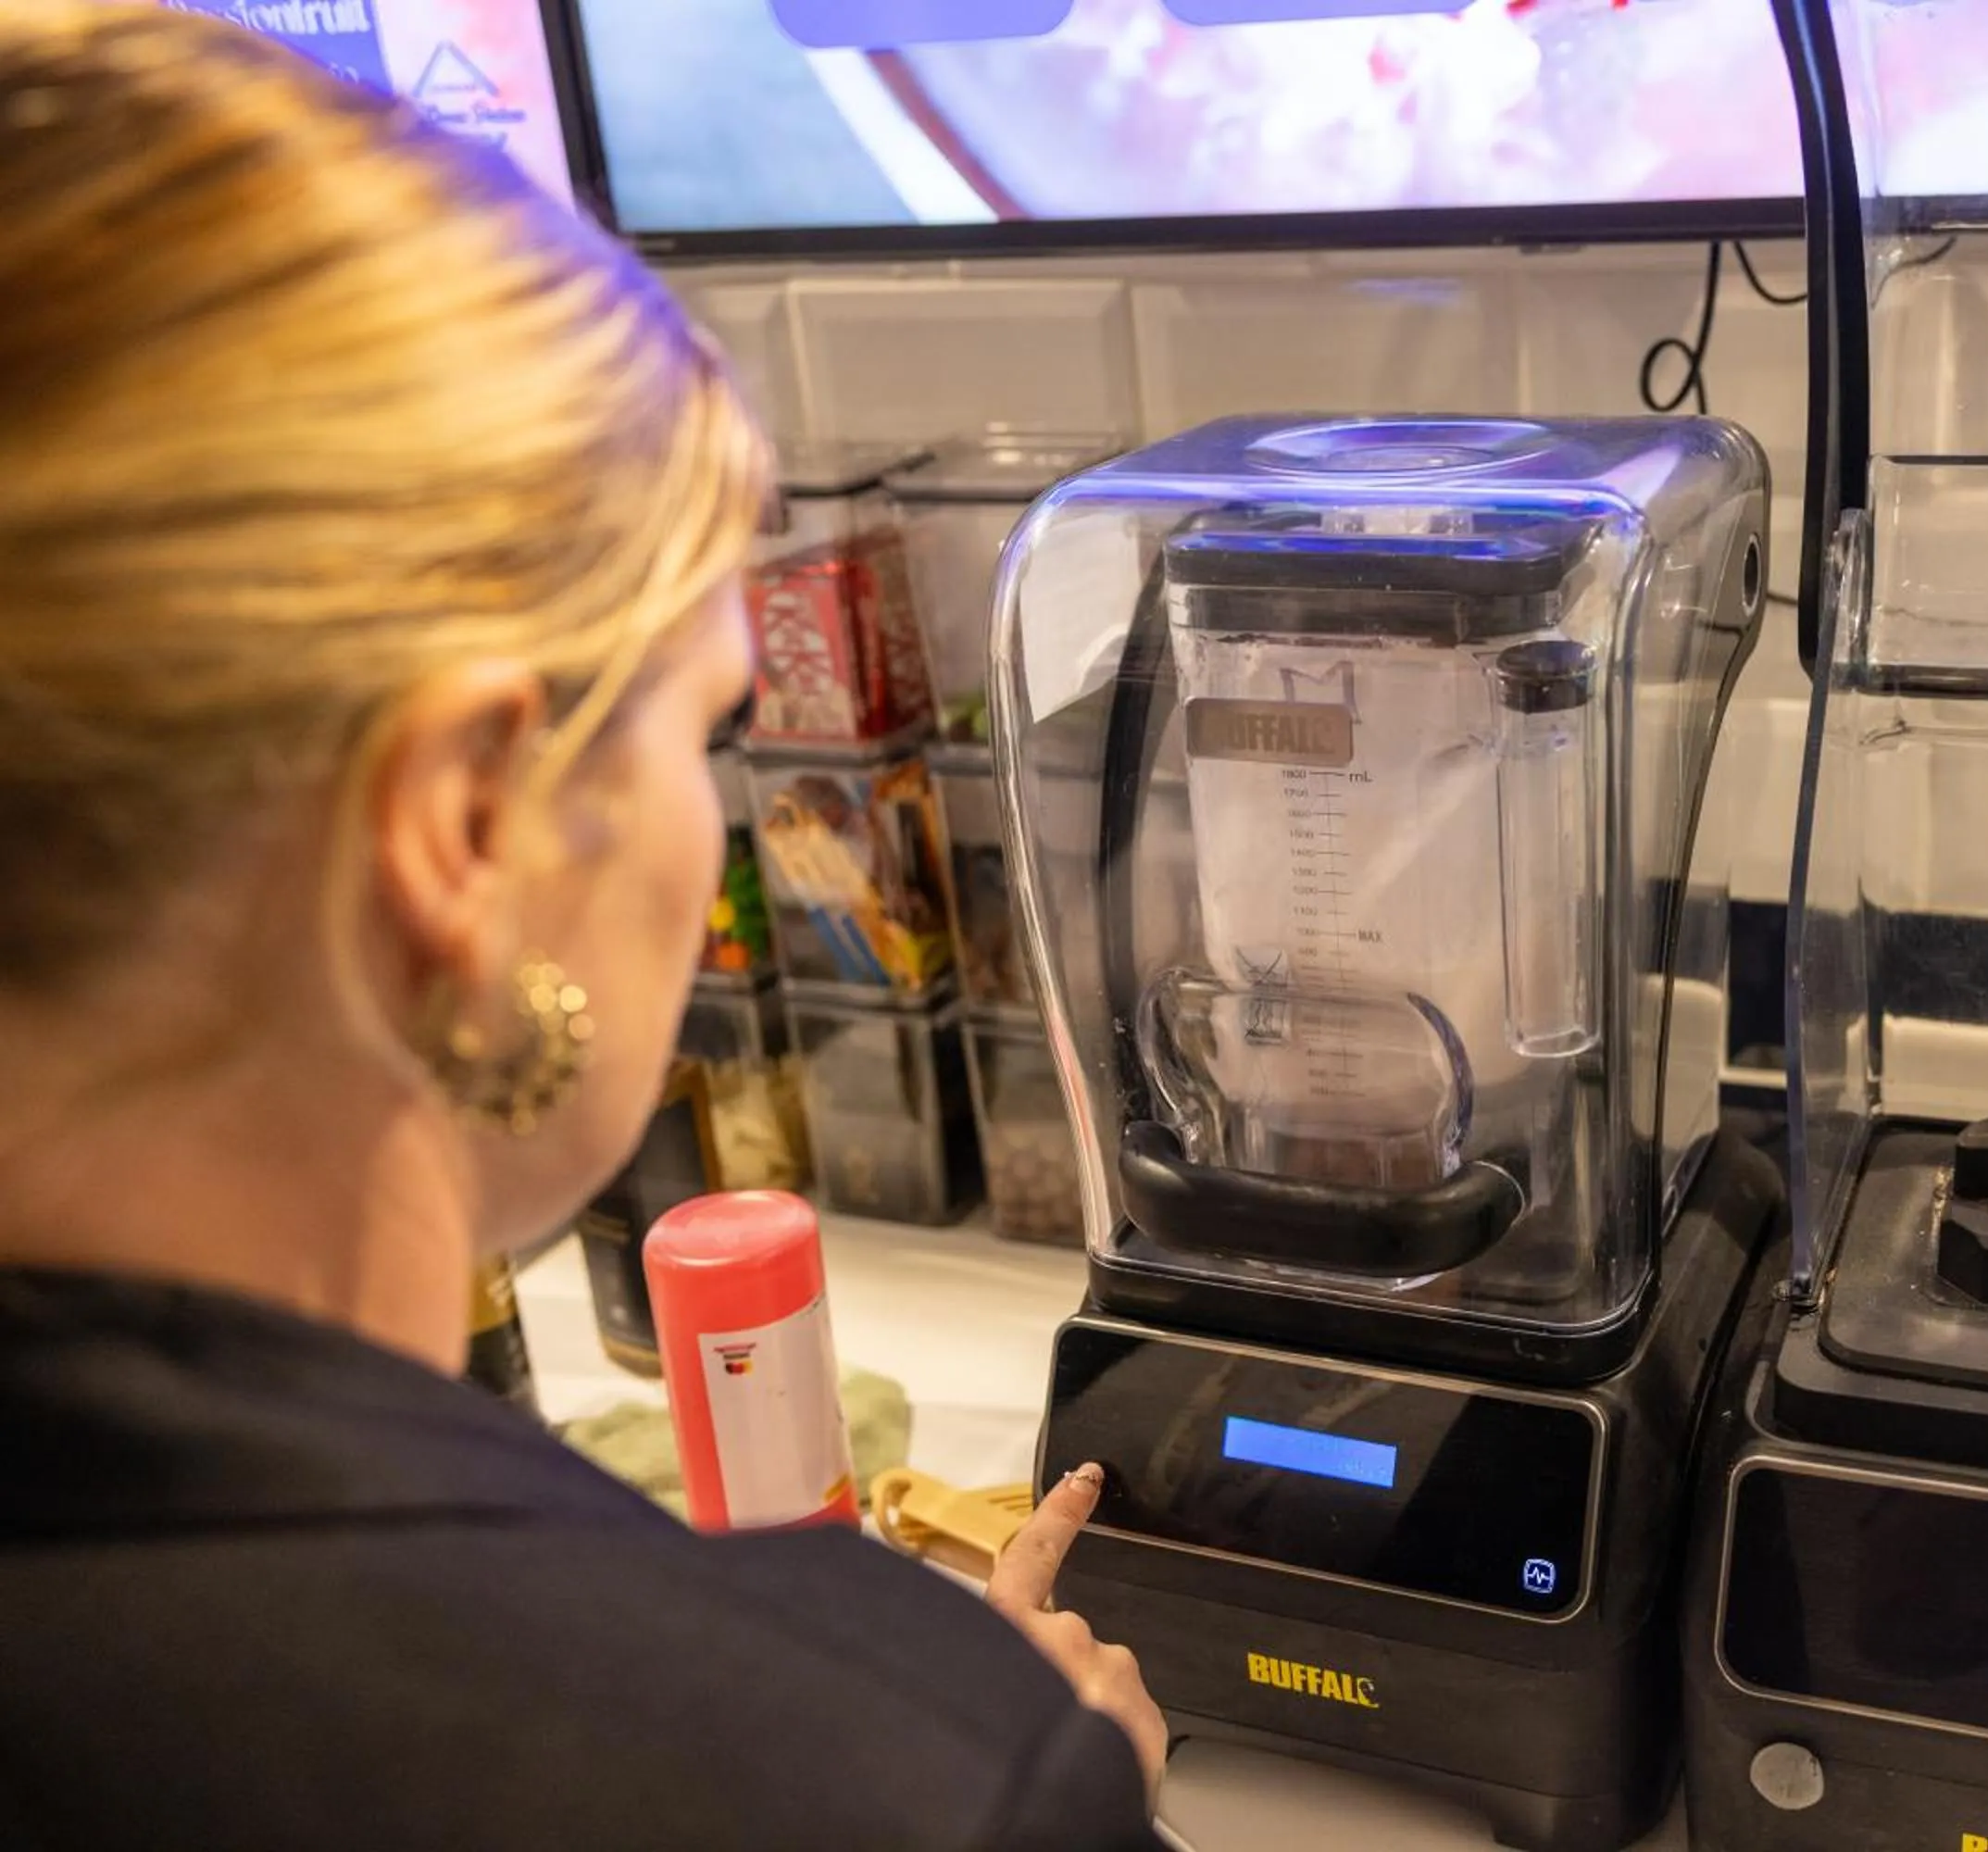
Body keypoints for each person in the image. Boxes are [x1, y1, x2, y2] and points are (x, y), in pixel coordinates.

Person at [0, 7, 1165, 1847]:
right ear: (466, 826)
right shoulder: (892, 1785)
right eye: (701, 728)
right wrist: (996, 1752)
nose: (712, 816)